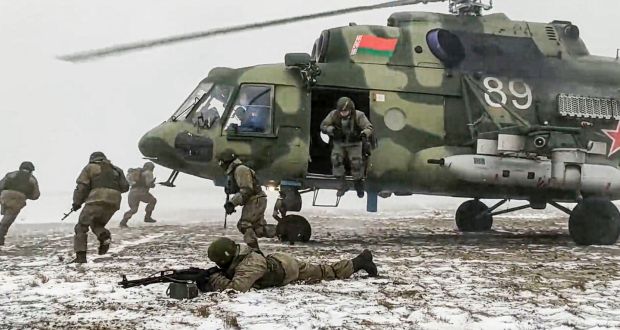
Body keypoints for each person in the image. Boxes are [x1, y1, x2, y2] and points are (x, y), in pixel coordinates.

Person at [206, 237, 378, 292]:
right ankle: (359, 261)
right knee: (325, 270)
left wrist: (213, 278)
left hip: (288, 270)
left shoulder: (250, 265)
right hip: (280, 262)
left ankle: (360, 262)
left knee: (326, 273)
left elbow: (236, 289)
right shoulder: (244, 258)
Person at [71, 152, 129, 263]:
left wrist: (77, 203)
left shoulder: (90, 168)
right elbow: (125, 187)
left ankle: (81, 257)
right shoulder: (116, 170)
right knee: (97, 224)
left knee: (81, 227)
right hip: (114, 201)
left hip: (96, 199)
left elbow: (82, 187)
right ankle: (104, 236)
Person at [218, 152, 276, 249]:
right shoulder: (237, 170)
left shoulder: (240, 170)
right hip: (256, 199)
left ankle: (255, 252)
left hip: (255, 199)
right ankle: (282, 231)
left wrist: (232, 203)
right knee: (258, 229)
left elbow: (246, 190)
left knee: (244, 225)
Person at [320, 97, 373, 198]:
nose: (343, 113)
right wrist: (333, 131)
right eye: (341, 111)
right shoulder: (333, 114)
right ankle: (342, 185)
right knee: (336, 159)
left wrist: (362, 134)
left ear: (351, 109)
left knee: (356, 162)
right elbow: (323, 126)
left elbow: (369, 127)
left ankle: (358, 183)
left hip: (355, 143)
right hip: (339, 142)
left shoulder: (359, 115)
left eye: (346, 111)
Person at [0, 162, 40, 246]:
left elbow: (1, 185)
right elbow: (36, 195)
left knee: (5, 213)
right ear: (31, 170)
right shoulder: (32, 179)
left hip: (5, 195)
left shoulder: (11, 174)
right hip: (18, 198)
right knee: (6, 221)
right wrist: (26, 195)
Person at [120, 161, 157, 227]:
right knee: (153, 200)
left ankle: (123, 221)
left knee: (134, 209)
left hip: (132, 193)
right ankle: (147, 217)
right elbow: (148, 184)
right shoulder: (148, 173)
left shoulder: (135, 173)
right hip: (142, 192)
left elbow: (129, 182)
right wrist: (153, 184)